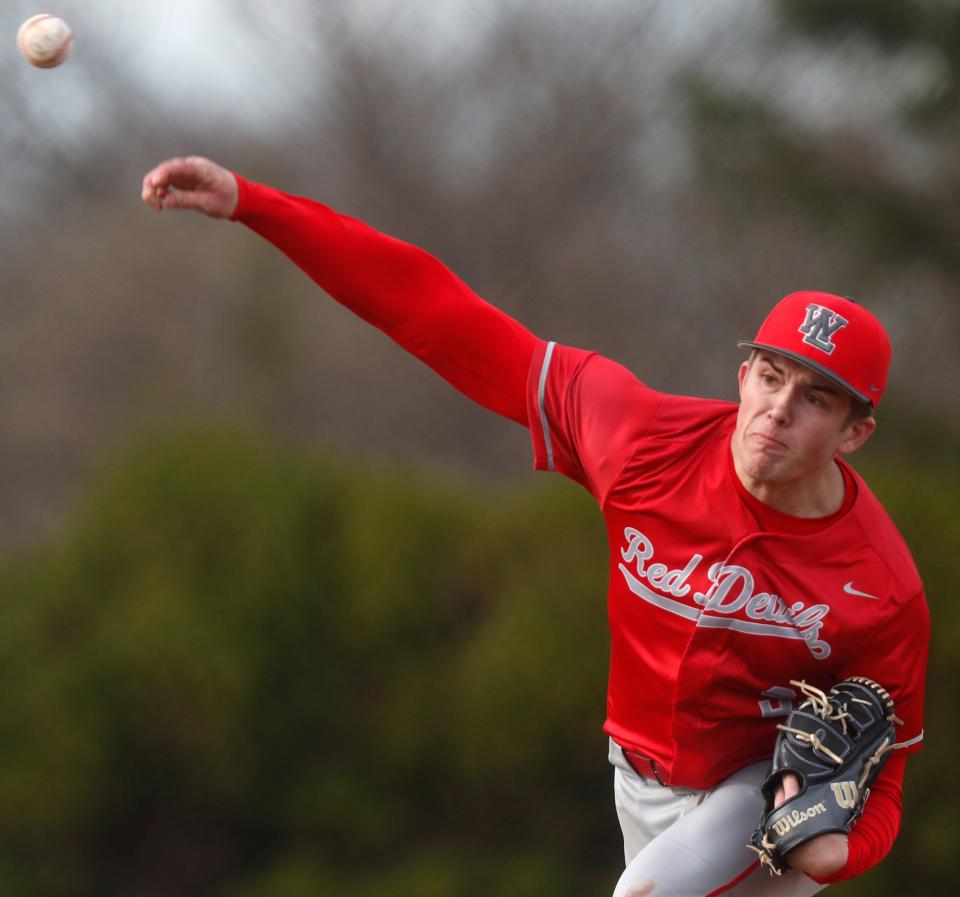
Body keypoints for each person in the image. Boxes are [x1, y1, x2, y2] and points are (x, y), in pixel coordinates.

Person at [141, 156, 929, 897]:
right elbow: (431, 307)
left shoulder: (880, 589)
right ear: (743, 375)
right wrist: (253, 203)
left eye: (816, 398)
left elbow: (886, 780)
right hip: (638, 780)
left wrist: (838, 851)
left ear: (855, 431)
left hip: (756, 804)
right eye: (770, 375)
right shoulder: (640, 437)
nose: (778, 410)